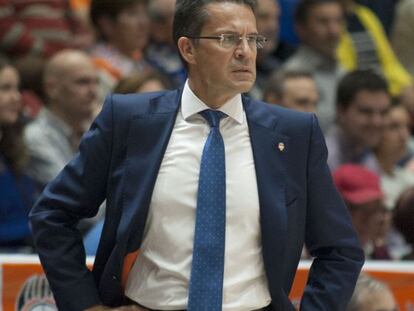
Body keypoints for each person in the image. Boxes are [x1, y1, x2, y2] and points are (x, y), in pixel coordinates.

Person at [29, 1, 364, 310]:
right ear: (188, 48)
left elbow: (340, 250)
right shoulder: (129, 120)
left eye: (253, 39)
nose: (245, 52)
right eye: (228, 38)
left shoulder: (294, 134)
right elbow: (53, 214)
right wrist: (86, 305)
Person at [24, 49, 98, 190]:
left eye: (96, 82)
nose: (93, 92)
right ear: (52, 88)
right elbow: (71, 192)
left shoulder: (94, 129)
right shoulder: (36, 137)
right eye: (82, 82)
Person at [283, 0, 346, 131]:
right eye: (323, 22)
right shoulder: (290, 77)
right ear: (300, 28)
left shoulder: (343, 71)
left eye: (338, 21)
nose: (333, 31)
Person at [0, 57, 36, 252]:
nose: (16, 97)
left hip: (27, 254)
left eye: (17, 89)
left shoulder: (12, 147)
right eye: (5, 89)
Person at [325, 69, 391, 172]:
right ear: (341, 111)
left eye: (383, 113)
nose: (377, 122)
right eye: (366, 112)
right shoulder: (322, 160)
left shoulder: (368, 159)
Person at [333, 164, 392, 259]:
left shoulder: (377, 252)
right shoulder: (311, 254)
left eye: (378, 209)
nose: (377, 219)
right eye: (363, 211)